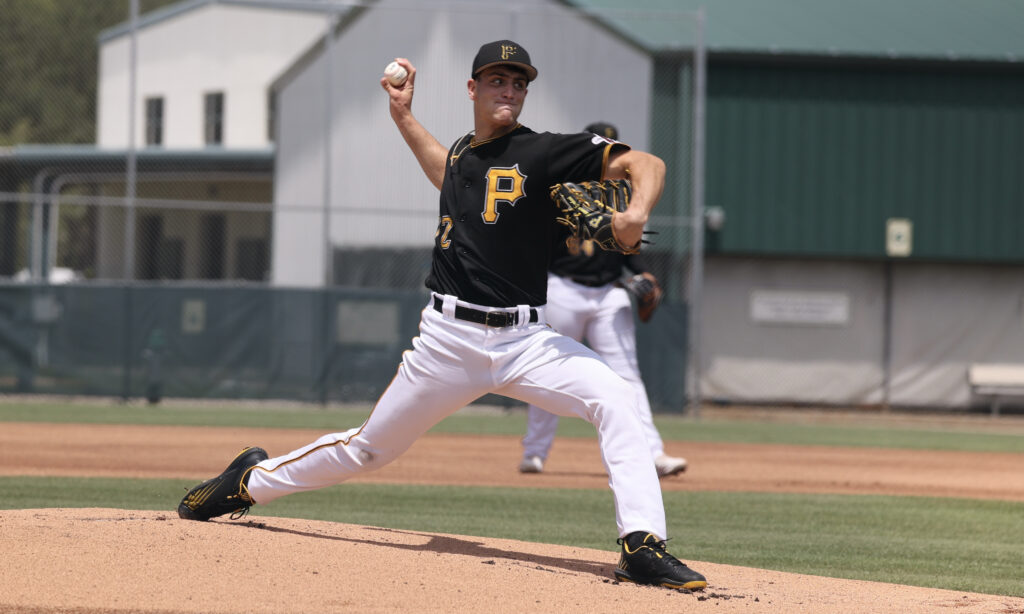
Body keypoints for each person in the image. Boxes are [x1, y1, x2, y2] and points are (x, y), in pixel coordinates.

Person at [177, 40, 707, 591]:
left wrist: (636, 210)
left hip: (525, 342)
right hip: (447, 342)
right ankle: (250, 480)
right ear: (473, 88)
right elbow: (447, 173)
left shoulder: (545, 152)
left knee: (615, 397)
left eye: (519, 82)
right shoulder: (463, 155)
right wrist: (402, 114)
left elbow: (646, 163)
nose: (509, 89)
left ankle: (642, 545)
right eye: (498, 79)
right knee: (367, 450)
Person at [518, 121, 687, 478]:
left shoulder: (625, 197)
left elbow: (631, 255)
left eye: (614, 146)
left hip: (609, 293)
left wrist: (642, 276)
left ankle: (652, 454)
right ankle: (535, 452)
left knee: (628, 376)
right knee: (547, 370)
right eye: (604, 146)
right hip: (563, 288)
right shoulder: (560, 191)